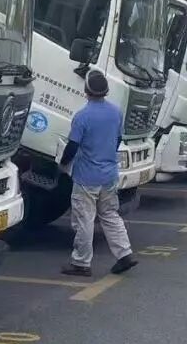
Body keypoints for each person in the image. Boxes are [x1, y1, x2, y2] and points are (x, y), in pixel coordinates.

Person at [59, 69, 138, 277]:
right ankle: (124, 254)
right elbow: (117, 140)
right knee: (110, 214)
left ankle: (81, 263)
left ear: (86, 90)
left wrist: (63, 164)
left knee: (84, 219)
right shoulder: (116, 112)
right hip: (109, 174)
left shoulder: (82, 116)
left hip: (86, 176)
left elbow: (72, 146)